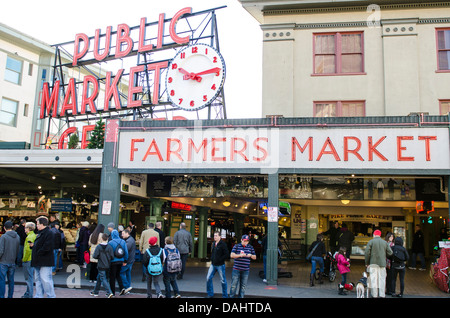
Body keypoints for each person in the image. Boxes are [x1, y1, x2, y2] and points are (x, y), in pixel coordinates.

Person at [31, 216, 56, 298]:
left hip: (44, 260)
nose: (36, 226)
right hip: (40, 260)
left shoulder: (48, 233)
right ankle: (39, 295)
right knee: (39, 280)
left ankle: (50, 295)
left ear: (42, 224)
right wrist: (34, 247)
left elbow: (47, 247)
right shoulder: (42, 233)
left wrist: (37, 251)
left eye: (38, 224)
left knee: (45, 280)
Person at [364, 229, 393, 298]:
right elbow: (390, 252)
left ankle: (374, 294)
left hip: (373, 264)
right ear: (380, 235)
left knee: (374, 279)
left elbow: (367, 253)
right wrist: (384, 255)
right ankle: (382, 294)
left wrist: (367, 263)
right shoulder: (384, 242)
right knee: (382, 279)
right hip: (382, 264)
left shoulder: (371, 242)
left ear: (374, 235)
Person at [90, 233, 114, 298]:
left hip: (101, 265)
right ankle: (95, 291)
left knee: (103, 279)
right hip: (107, 265)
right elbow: (112, 256)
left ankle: (109, 292)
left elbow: (95, 256)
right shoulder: (109, 247)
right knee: (99, 278)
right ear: (107, 239)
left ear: (101, 238)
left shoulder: (98, 247)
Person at [0, 220, 20, 298]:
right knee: (11, 281)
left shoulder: (4, 237)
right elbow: (18, 250)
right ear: (12, 227)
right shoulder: (17, 237)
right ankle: (10, 296)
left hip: (3, 262)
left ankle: (2, 296)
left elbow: (1, 250)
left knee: (2, 280)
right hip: (12, 261)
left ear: (4, 228)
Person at [206, 231, 229, 298]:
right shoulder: (214, 243)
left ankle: (225, 295)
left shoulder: (223, 244)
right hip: (213, 264)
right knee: (208, 278)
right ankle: (210, 294)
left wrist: (220, 259)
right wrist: (212, 259)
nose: (215, 237)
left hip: (220, 265)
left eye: (216, 235)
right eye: (214, 235)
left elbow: (227, 254)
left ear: (220, 237)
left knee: (223, 280)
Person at [108, 229, 128, 296]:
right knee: (118, 274)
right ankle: (121, 288)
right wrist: (125, 260)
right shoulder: (123, 241)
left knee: (112, 277)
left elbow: (109, 253)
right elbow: (126, 252)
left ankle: (112, 292)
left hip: (113, 261)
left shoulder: (110, 242)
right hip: (121, 260)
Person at [22, 222, 36, 298]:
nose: (24, 229)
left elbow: (27, 250)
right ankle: (28, 293)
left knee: (28, 278)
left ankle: (29, 294)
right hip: (32, 259)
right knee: (30, 277)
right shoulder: (33, 235)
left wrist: (24, 259)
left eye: (25, 228)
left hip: (28, 259)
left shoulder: (29, 237)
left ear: (28, 228)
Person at [120, 228, 135, 294]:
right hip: (131, 260)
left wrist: (125, 261)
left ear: (127, 233)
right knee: (128, 273)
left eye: (123, 234)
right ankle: (128, 287)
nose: (122, 235)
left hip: (128, 260)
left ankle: (126, 286)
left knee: (121, 272)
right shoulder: (131, 240)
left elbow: (125, 250)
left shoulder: (129, 241)